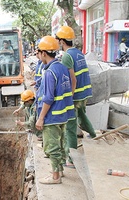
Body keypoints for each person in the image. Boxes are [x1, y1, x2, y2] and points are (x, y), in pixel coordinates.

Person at [35, 36, 75, 184]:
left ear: (44, 53)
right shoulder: (63, 68)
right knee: (61, 143)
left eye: (39, 52)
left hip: (52, 117)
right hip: (63, 114)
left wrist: (40, 118)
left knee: (52, 147)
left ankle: (55, 177)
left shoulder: (50, 73)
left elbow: (48, 98)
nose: (39, 55)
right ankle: (60, 171)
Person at [56, 26, 96, 167]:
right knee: (82, 115)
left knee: (70, 126)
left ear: (62, 41)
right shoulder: (79, 53)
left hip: (76, 94)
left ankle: (71, 159)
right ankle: (92, 133)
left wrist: (68, 98)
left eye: (58, 41)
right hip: (85, 93)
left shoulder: (67, 56)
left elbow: (73, 79)